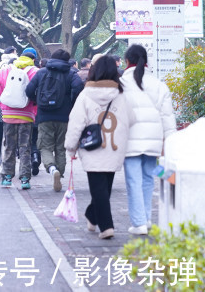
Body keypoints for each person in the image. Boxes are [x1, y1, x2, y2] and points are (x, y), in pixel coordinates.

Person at [65, 56, 134, 239]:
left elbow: (76, 123)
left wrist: (70, 147)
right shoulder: (121, 95)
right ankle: (92, 215)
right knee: (105, 188)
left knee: (99, 189)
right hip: (115, 146)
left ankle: (106, 227)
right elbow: (132, 119)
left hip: (92, 147)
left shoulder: (86, 95)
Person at [121, 44, 176, 235]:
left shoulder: (122, 84)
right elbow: (167, 118)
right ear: (146, 61)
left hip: (130, 141)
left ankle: (139, 223)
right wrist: (169, 144)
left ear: (127, 61)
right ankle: (146, 219)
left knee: (133, 181)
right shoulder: (159, 85)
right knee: (147, 179)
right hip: (153, 141)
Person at [26, 49, 84, 192]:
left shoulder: (41, 73)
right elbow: (78, 89)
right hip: (64, 117)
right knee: (60, 148)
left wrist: (38, 101)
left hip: (44, 116)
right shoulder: (72, 74)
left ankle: (52, 169)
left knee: (45, 147)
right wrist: (70, 103)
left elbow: (28, 90)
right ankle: (60, 173)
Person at [0, 48, 39, 189]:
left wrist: (3, 96)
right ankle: (24, 179)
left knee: (9, 146)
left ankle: (7, 177)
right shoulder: (35, 71)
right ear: (33, 59)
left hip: (8, 114)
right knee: (25, 147)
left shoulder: (8, 69)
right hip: (26, 114)